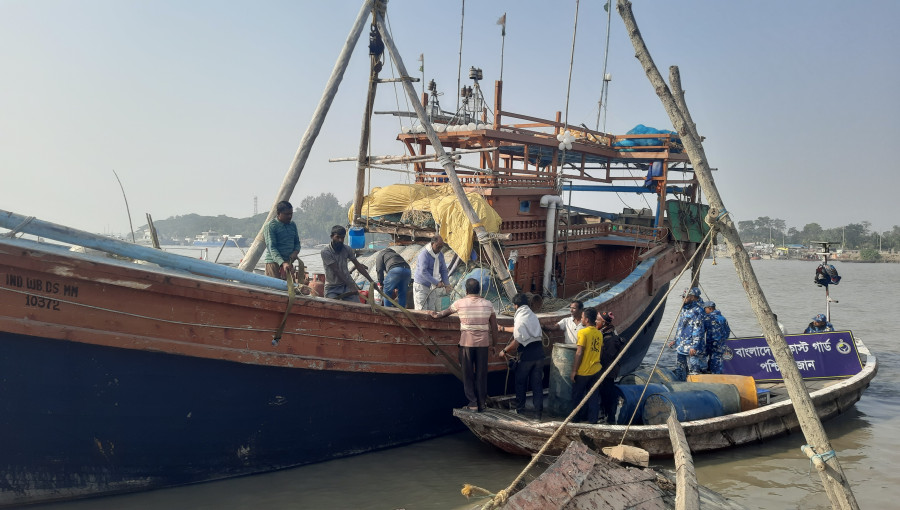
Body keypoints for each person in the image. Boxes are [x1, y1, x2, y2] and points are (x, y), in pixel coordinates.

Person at [430, 278, 499, 412]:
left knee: (467, 374)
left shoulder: (459, 303)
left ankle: (472, 403)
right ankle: (482, 403)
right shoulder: (488, 304)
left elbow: (443, 314)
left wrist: (434, 315)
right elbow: (494, 327)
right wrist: (495, 345)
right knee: (481, 374)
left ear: (466, 290)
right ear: (479, 290)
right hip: (483, 345)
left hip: (466, 343)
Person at [498, 293, 545, 419]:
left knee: (520, 382)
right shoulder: (532, 315)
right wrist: (502, 328)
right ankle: (538, 414)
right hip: (539, 353)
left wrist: (505, 351)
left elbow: (517, 341)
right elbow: (520, 328)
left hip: (527, 354)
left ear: (516, 305)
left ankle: (520, 410)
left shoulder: (519, 317)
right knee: (537, 385)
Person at [320, 225, 374, 302]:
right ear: (332, 236)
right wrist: (351, 285)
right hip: (332, 287)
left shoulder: (347, 249)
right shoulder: (326, 252)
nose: (340, 240)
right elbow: (337, 270)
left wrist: (371, 281)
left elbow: (358, 265)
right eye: (338, 237)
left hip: (346, 286)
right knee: (332, 308)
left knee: (356, 307)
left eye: (342, 237)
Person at [571, 308, 604, 424]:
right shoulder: (599, 333)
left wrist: (574, 370)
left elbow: (579, 352)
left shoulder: (583, 332)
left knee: (577, 397)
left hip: (584, 371)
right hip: (596, 369)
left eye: (583, 317)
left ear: (587, 319)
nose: (581, 319)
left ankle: (575, 421)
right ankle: (592, 422)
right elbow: (599, 350)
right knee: (593, 397)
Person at [668, 287, 706, 381]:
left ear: (692, 297)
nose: (683, 299)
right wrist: (675, 340)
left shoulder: (697, 311)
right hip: (681, 344)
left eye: (686, 297)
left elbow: (698, 330)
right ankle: (680, 384)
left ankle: (694, 387)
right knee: (680, 367)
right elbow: (681, 326)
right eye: (683, 297)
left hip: (691, 346)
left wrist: (695, 346)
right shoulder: (684, 309)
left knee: (693, 369)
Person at [598, 311, 625, 424]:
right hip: (608, 370)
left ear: (603, 322)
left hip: (607, 371)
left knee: (607, 394)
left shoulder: (609, 338)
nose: (595, 322)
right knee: (606, 393)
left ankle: (610, 418)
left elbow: (607, 357)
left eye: (597, 320)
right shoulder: (608, 334)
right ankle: (607, 416)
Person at [264, 201, 302, 281]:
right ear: (278, 213)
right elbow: (272, 247)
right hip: (274, 263)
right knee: (274, 289)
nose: (290, 216)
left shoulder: (292, 225)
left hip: (288, 263)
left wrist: (295, 252)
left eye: (291, 214)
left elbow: (297, 243)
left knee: (290, 289)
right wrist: (282, 263)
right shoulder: (271, 226)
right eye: (287, 214)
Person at [413, 235, 450, 312]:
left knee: (432, 310)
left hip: (432, 287)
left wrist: (446, 284)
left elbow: (443, 270)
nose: (439, 249)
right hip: (421, 286)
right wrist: (436, 282)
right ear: (432, 244)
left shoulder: (440, 255)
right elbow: (423, 271)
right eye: (438, 246)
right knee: (421, 310)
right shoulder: (424, 254)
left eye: (441, 247)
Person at [701, 301, 731, 374]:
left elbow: (701, 331)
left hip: (712, 345)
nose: (705, 310)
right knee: (719, 362)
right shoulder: (723, 318)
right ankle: (718, 375)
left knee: (713, 363)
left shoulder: (708, 318)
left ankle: (715, 377)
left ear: (710, 308)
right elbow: (728, 331)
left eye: (705, 309)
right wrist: (723, 340)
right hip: (721, 345)